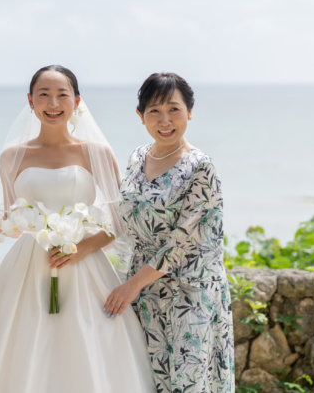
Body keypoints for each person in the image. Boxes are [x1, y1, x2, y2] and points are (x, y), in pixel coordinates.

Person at [0, 66, 155, 393]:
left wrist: (82, 249)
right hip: (27, 269)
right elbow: (9, 225)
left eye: (62, 94)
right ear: (30, 101)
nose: (53, 102)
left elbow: (121, 220)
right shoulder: (12, 157)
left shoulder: (97, 153)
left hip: (86, 267)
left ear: (77, 101)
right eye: (44, 94)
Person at [103, 72, 235, 392]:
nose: (165, 120)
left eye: (174, 109)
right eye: (154, 111)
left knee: (189, 383)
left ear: (189, 111)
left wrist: (131, 286)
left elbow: (184, 242)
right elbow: (123, 218)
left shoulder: (200, 167)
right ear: (141, 116)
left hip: (189, 295)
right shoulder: (136, 158)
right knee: (147, 380)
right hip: (146, 295)